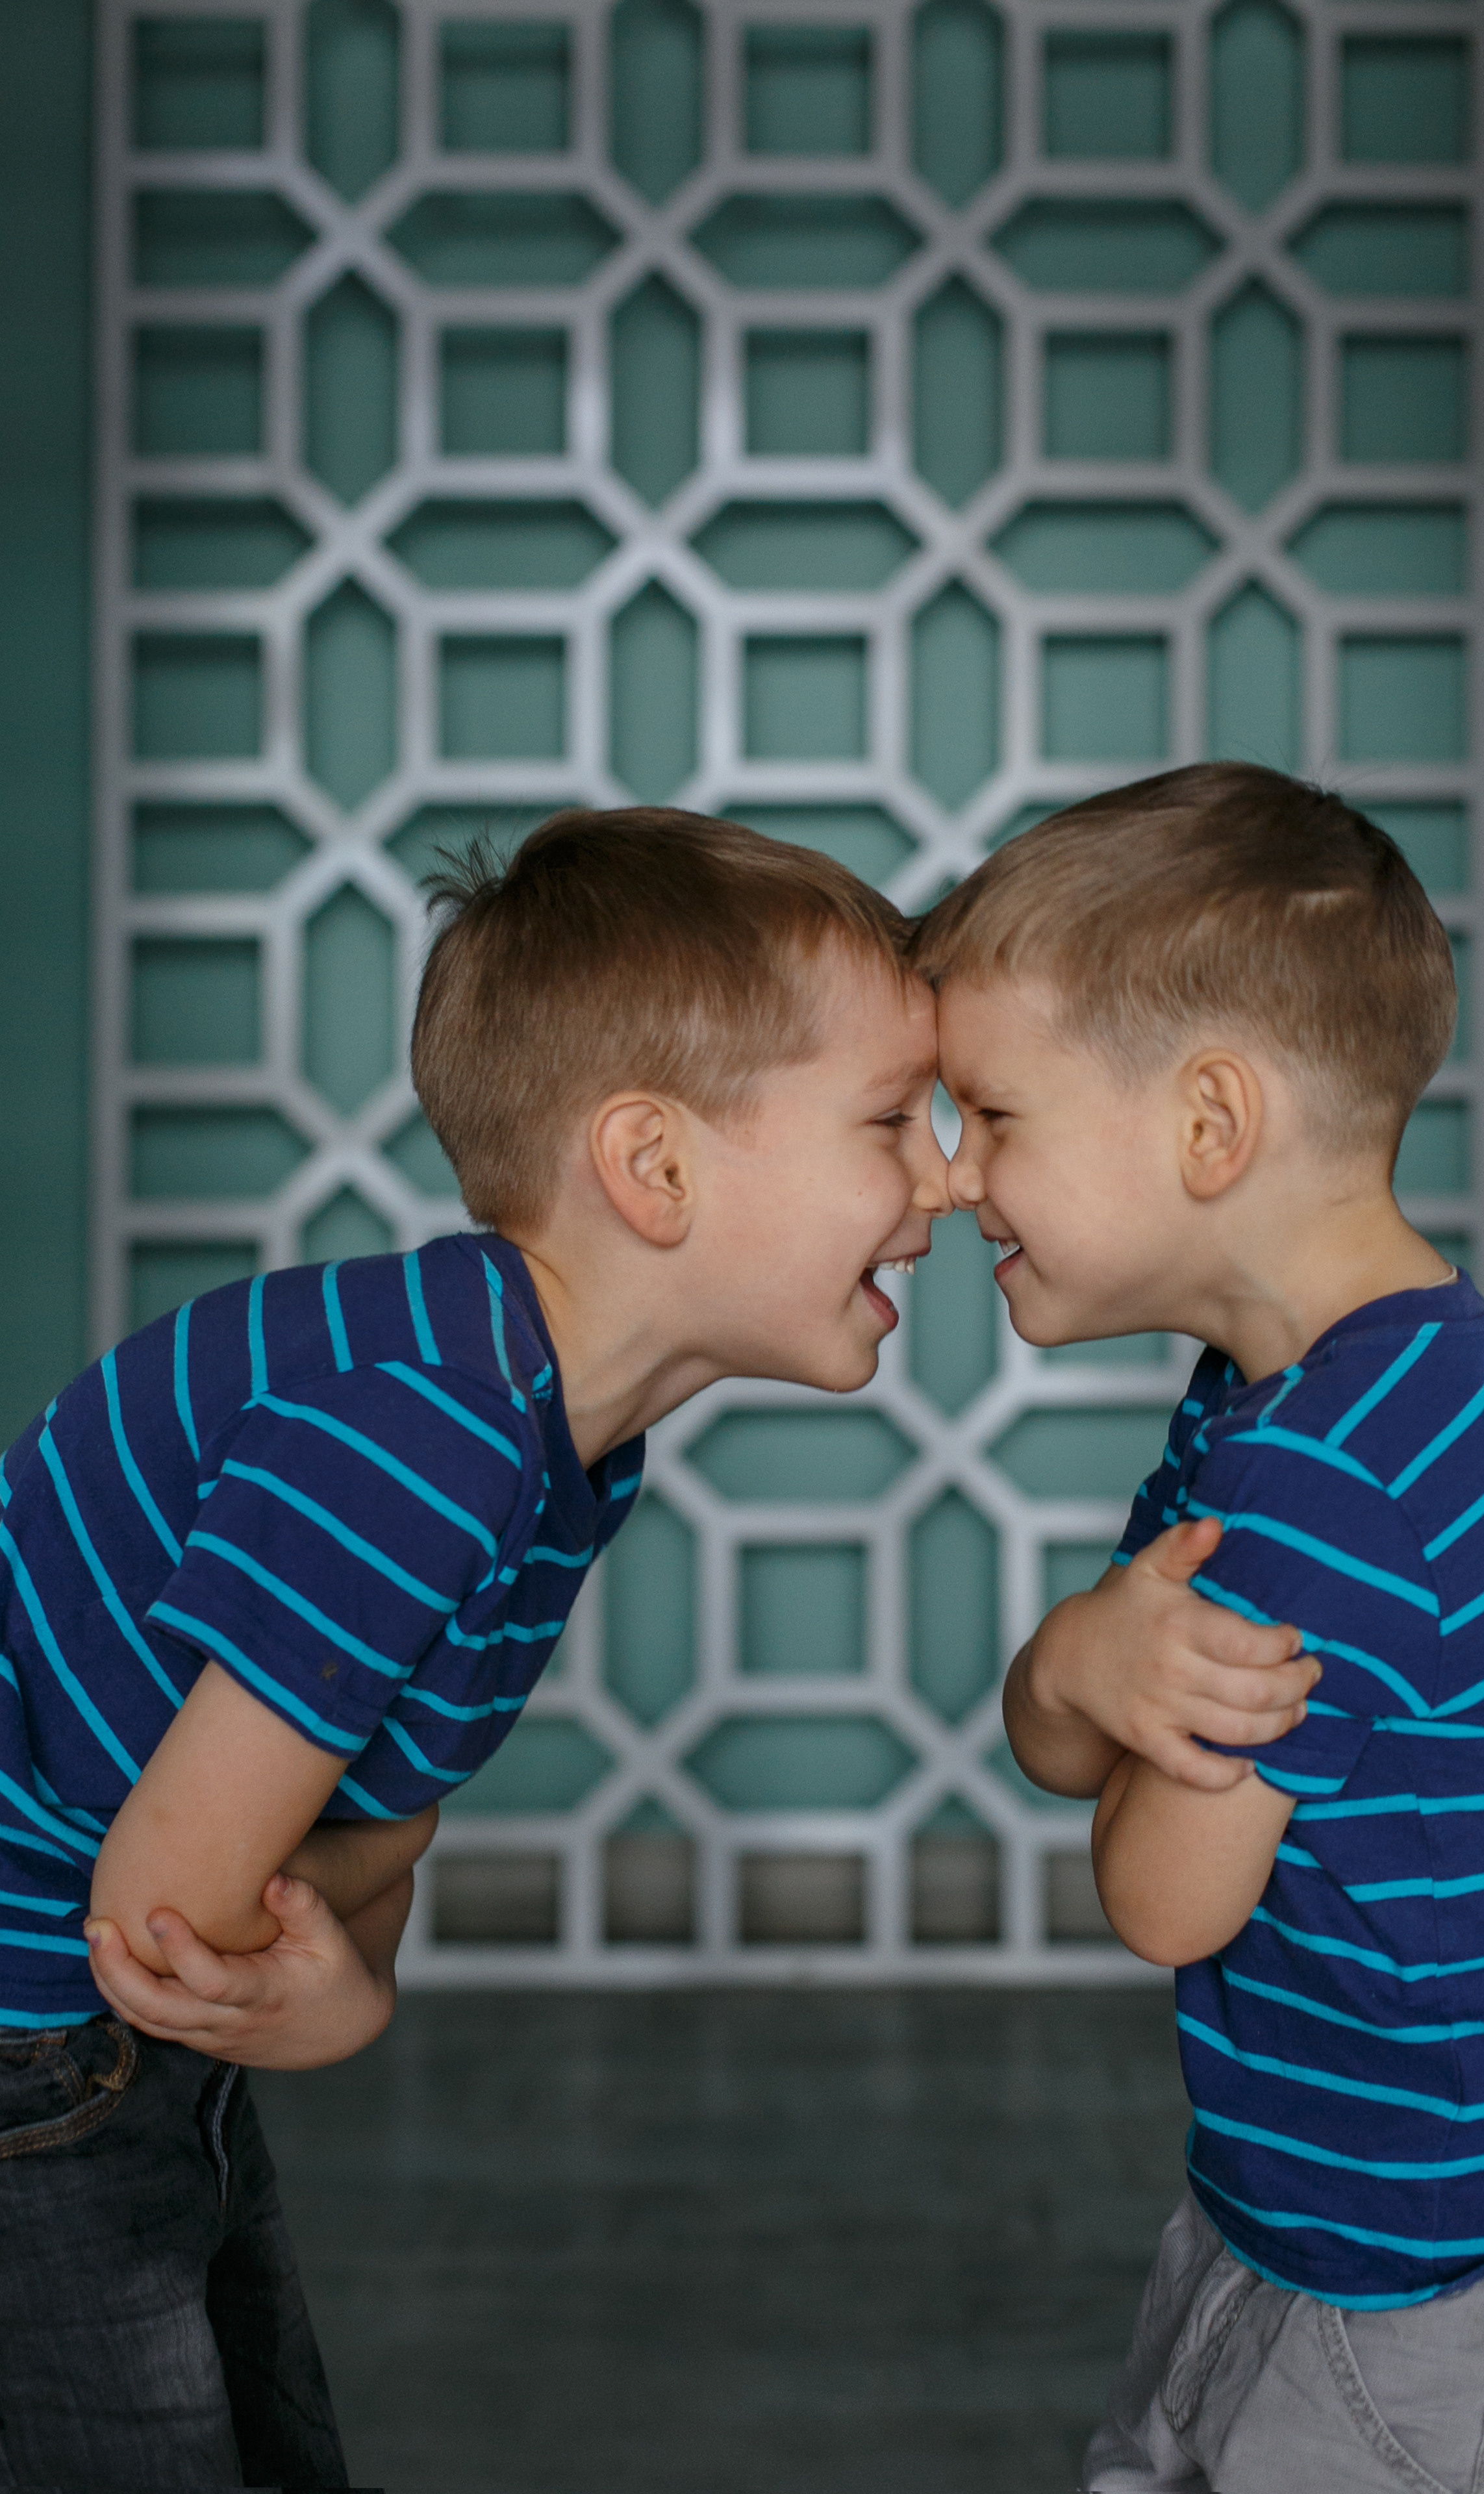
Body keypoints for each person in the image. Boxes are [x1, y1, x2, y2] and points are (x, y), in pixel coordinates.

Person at [0, 804, 1312, 2486]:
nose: (949, 1175)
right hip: (52, 2041)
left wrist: (350, 1962)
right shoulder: (427, 1433)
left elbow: (385, 1809)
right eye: (888, 1122)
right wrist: (341, 1999)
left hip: (109, 2041)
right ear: (657, 1169)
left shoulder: (552, 1431)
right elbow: (170, 1917)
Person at [916, 762, 1484, 2494]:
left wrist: (1089, 1670)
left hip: (1439, 2310)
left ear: (1209, 1126)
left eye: (996, 1115)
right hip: (1304, 2209)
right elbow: (1075, 1725)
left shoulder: (1334, 1485)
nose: (957, 1183)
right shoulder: (1308, 1396)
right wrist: (1077, 1665)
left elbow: (1157, 1891)